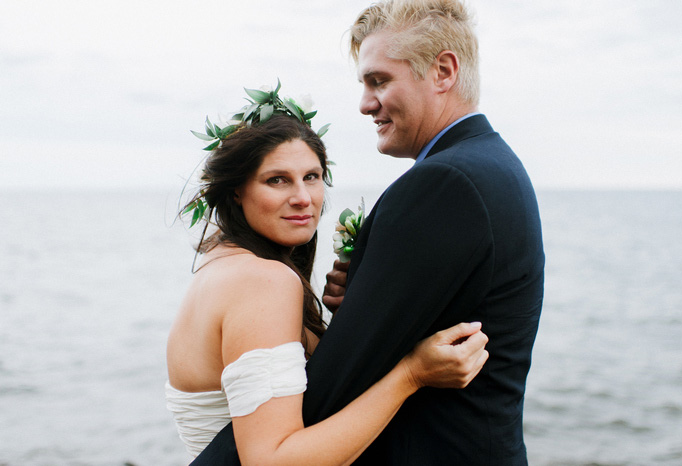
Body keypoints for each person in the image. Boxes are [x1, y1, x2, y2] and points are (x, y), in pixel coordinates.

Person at [196, 0, 544, 463]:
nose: (364, 104)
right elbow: (401, 324)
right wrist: (365, 295)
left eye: (379, 81)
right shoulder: (494, 166)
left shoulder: (445, 184)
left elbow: (345, 374)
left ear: (443, 71)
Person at [166, 87, 490, 465]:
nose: (303, 197)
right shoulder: (262, 280)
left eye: (312, 176)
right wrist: (412, 375)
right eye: (277, 180)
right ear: (237, 191)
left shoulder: (221, 261)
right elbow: (272, 461)